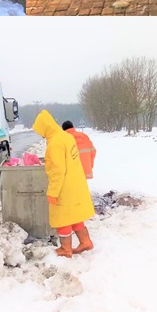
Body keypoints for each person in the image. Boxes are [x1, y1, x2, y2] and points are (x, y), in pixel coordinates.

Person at [32, 110, 95, 258]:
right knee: (74, 216)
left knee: (63, 218)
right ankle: (85, 242)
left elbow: (57, 171)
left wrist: (53, 192)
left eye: (41, 131)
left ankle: (65, 249)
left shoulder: (54, 144)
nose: (41, 135)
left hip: (64, 187)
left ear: (45, 128)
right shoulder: (66, 137)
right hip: (76, 183)